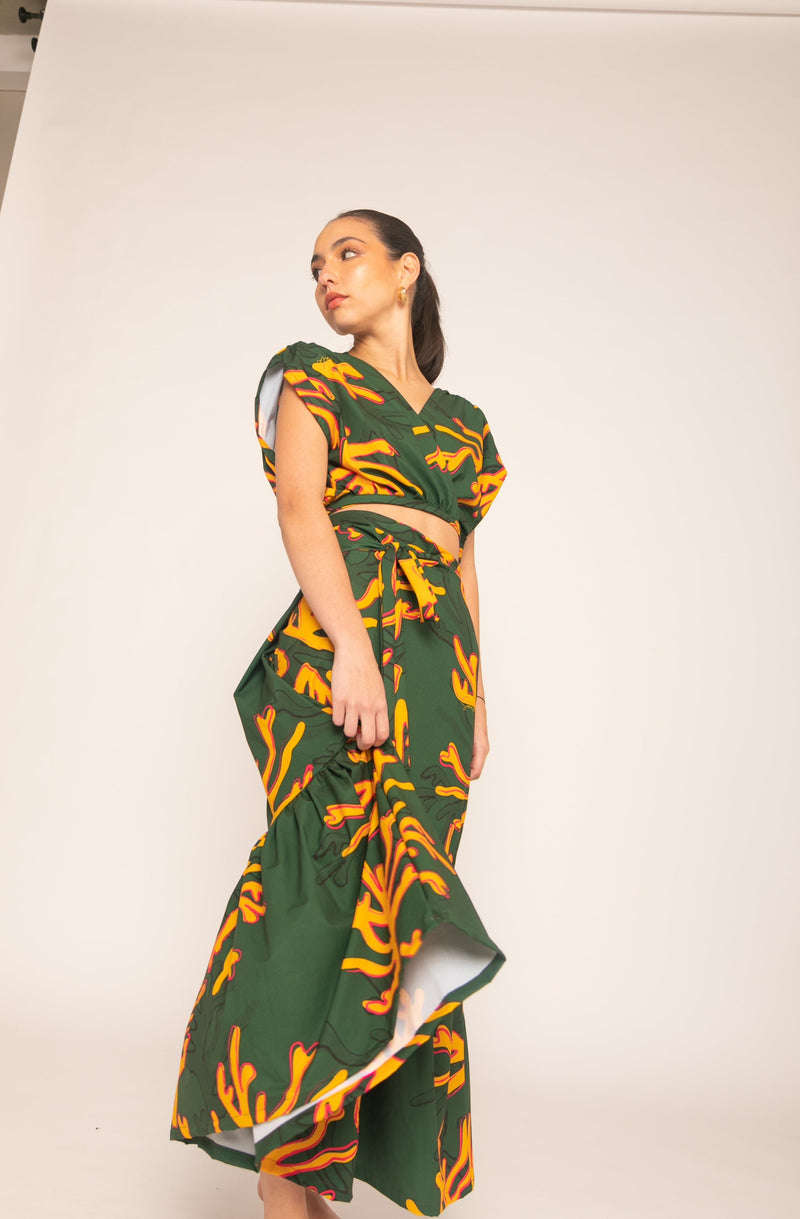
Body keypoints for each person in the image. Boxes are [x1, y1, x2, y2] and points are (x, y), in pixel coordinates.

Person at [170, 208, 508, 1218]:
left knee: (400, 911)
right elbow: (299, 510)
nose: (326, 275)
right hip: (340, 642)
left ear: (407, 271)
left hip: (436, 669)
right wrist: (352, 651)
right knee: (316, 894)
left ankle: (321, 1166)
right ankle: (283, 1175)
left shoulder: (465, 426)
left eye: (347, 254)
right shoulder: (308, 380)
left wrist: (475, 693)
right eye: (315, 264)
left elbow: (461, 558)